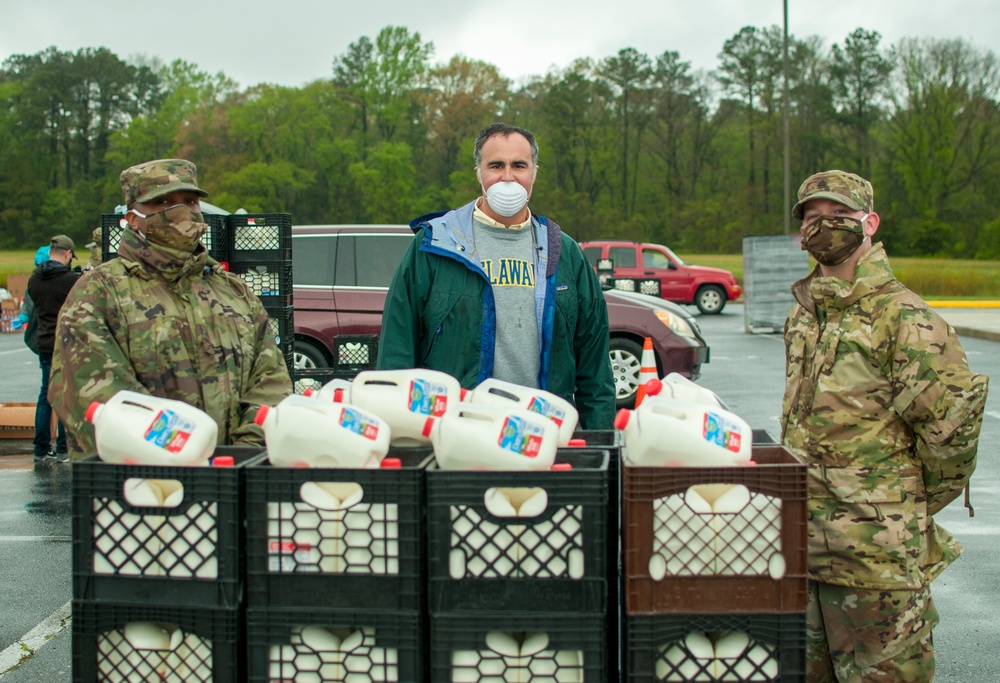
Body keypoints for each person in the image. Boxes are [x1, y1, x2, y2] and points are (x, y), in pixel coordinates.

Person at [780, 170, 989, 682]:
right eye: (810, 217)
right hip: (805, 552)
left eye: (838, 216)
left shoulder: (905, 318)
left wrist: (893, 506)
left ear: (869, 223)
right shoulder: (806, 314)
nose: (821, 226)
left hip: (877, 563)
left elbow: (952, 439)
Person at [377, 122, 615, 429]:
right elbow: (397, 351)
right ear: (479, 173)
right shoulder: (434, 246)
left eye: (519, 165)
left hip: (542, 435)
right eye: (495, 165)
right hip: (456, 432)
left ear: (534, 172)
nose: (507, 177)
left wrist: (602, 442)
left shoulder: (565, 253)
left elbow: (594, 366)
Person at [49, 158, 292, 458]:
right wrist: (183, 461)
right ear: (133, 218)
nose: (182, 211)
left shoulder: (232, 292)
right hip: (145, 490)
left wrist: (243, 455)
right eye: (163, 202)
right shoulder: (99, 294)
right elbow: (94, 397)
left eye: (190, 200)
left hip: (236, 485)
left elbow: (271, 380)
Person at [27, 237, 81, 462]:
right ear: (67, 254)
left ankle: (40, 448)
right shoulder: (71, 280)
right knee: (65, 394)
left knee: (45, 393)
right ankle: (62, 448)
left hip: (44, 341)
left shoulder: (34, 280)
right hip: (66, 342)